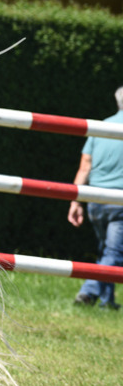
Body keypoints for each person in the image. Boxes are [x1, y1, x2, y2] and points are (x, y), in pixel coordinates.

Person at [68, 85, 123, 310]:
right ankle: (88, 291)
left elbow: (84, 167)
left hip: (95, 200)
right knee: (114, 252)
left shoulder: (100, 127)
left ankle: (107, 302)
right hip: (119, 201)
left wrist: (75, 200)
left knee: (106, 250)